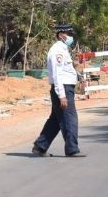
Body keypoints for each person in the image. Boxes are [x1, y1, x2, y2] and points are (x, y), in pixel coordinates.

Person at [32, 24, 85, 157]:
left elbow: (65, 70)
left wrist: (77, 76)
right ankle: (72, 149)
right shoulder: (57, 51)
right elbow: (57, 74)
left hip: (65, 87)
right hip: (63, 89)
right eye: (69, 34)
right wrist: (62, 95)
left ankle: (40, 146)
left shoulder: (63, 49)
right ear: (61, 35)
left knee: (56, 119)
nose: (71, 37)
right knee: (70, 118)